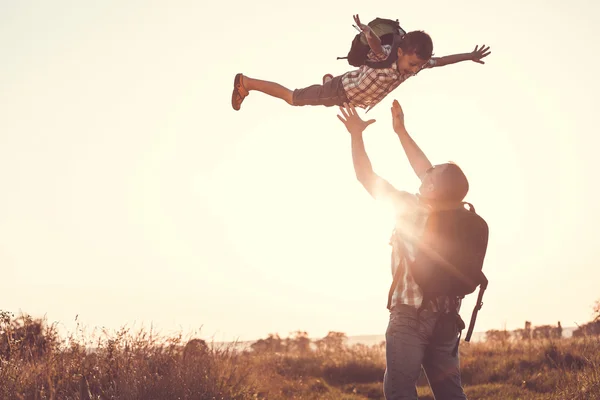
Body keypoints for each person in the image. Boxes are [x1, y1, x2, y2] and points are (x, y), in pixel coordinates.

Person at [337, 100, 471, 399]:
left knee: (399, 390)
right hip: (448, 315)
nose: (425, 175)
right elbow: (430, 172)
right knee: (450, 391)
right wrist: (400, 131)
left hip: (411, 313)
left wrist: (356, 134)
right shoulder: (461, 215)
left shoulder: (412, 208)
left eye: (430, 177)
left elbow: (366, 177)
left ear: (433, 188)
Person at [232, 15, 490, 113]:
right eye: (411, 63)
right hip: (341, 91)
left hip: (351, 94)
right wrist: (369, 35)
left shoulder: (415, 66)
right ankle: (246, 83)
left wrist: (469, 55)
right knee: (293, 98)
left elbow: (441, 61)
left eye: (417, 66)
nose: (413, 70)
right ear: (400, 52)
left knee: (331, 94)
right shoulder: (387, 56)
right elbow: (378, 48)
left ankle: (327, 82)